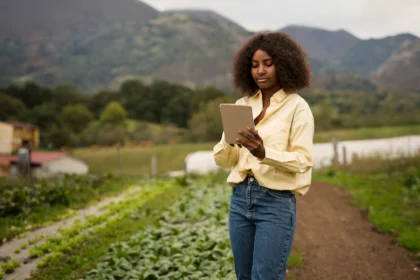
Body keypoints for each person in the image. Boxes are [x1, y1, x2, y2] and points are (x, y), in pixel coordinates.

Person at [213, 31, 314, 280]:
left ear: (284, 65)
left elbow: (303, 162)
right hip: (240, 200)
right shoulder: (242, 105)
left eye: (268, 64)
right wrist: (229, 140)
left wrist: (263, 153)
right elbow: (224, 161)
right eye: (255, 65)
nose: (261, 71)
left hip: (275, 203)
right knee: (244, 277)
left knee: (266, 276)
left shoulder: (297, 107)